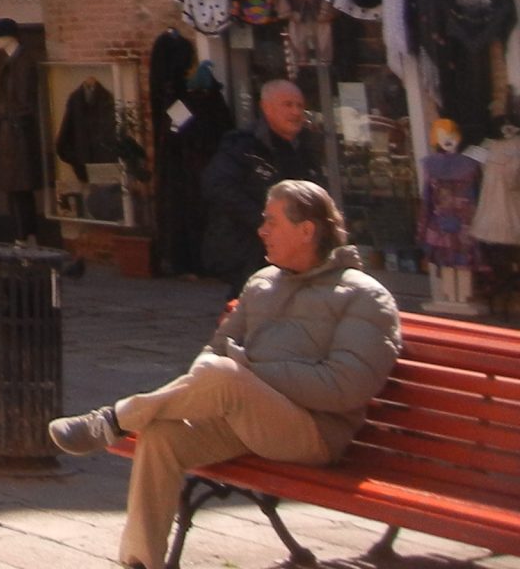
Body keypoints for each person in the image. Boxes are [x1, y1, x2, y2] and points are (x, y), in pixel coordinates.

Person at [48, 180, 400, 569]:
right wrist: (228, 376)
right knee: (162, 436)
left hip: (313, 433)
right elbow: (214, 352)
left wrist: (249, 374)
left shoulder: (364, 296)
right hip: (245, 419)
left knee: (225, 374)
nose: (261, 230)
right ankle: (139, 562)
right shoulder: (262, 283)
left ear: (307, 230)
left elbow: (345, 387)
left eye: (271, 221)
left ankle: (115, 419)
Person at [200, 79, 323, 294]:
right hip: (250, 250)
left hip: (297, 248)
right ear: (266, 107)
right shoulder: (242, 144)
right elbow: (217, 186)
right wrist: (267, 222)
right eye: (288, 105)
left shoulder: (308, 146)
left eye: (300, 106)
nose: (296, 112)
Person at [0, 17, 45, 240]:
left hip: (17, 134)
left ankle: (26, 234)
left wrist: (11, 119)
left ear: (9, 37)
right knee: (14, 189)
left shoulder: (24, 63)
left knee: (20, 189)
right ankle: (22, 234)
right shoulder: (9, 62)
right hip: (9, 132)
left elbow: (25, 101)